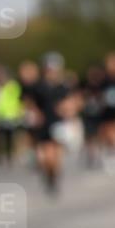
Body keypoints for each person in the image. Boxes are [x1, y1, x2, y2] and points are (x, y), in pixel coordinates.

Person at [26, 52, 76, 196]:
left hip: (58, 124)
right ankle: (49, 176)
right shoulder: (38, 86)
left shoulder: (63, 87)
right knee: (45, 157)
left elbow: (71, 103)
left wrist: (67, 110)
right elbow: (30, 102)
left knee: (56, 155)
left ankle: (54, 178)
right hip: (43, 124)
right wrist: (35, 113)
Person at [0, 65, 23, 170]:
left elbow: (17, 98)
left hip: (11, 115)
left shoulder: (12, 85)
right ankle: (0, 158)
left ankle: (9, 157)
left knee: (9, 137)